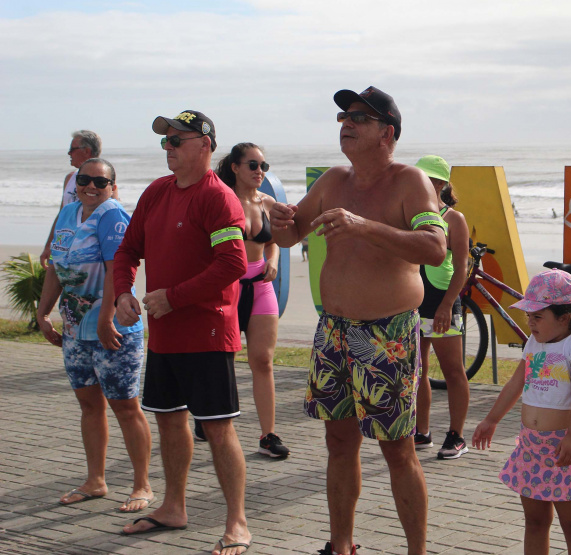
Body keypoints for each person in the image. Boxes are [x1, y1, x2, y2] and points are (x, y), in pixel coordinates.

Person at [270, 86, 446, 555]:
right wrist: (273, 216)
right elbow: (289, 235)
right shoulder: (332, 180)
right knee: (338, 441)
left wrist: (364, 225)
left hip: (387, 334)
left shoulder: (411, 182)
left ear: (387, 131)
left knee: (397, 450)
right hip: (334, 331)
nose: (346, 123)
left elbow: (435, 248)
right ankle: (341, 544)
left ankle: (416, 551)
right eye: (344, 116)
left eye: (359, 117)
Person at [112, 110, 252, 555]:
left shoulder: (219, 198)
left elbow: (231, 264)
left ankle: (238, 523)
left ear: (205, 145)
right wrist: (122, 294)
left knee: (217, 429)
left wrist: (174, 296)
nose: (168, 149)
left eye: (177, 140)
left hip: (208, 334)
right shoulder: (157, 192)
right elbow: (127, 251)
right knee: (169, 421)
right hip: (165, 337)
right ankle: (173, 506)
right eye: (165, 142)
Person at [35, 158, 153, 514]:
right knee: (89, 406)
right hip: (74, 331)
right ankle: (95, 481)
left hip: (113, 330)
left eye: (100, 183)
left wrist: (106, 321)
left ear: (112, 187)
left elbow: (118, 271)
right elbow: (55, 267)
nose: (91, 187)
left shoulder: (113, 216)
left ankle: (142, 485)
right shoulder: (69, 215)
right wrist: (42, 313)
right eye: (84, 180)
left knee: (126, 407)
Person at [472, 269, 571, 555]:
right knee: (534, 522)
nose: (530, 323)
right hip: (531, 448)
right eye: (529, 316)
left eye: (537, 317)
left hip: (562, 450)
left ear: (564, 318)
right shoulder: (534, 343)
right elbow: (515, 384)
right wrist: (491, 419)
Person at [214, 142, 289, 458]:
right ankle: (211, 420)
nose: (260, 172)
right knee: (220, 360)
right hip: (225, 288)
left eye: (264, 166)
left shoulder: (267, 202)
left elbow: (273, 241)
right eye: (253, 165)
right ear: (235, 167)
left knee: (262, 360)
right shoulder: (220, 199)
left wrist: (273, 259)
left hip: (260, 285)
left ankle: (268, 435)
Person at [412, 155, 471, 460]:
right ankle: (422, 432)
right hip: (414, 302)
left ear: (441, 184)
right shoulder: (410, 215)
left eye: (428, 178)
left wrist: (448, 305)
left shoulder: (453, 219)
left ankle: (457, 435)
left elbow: (462, 266)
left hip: (443, 300)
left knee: (452, 371)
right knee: (416, 369)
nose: (420, 183)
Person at [40, 130, 101, 268]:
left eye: (72, 149)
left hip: (87, 249)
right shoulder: (70, 178)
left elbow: (110, 213)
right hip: (63, 245)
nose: (69, 153)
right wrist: (49, 245)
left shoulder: (103, 179)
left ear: (86, 151)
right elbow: (62, 214)